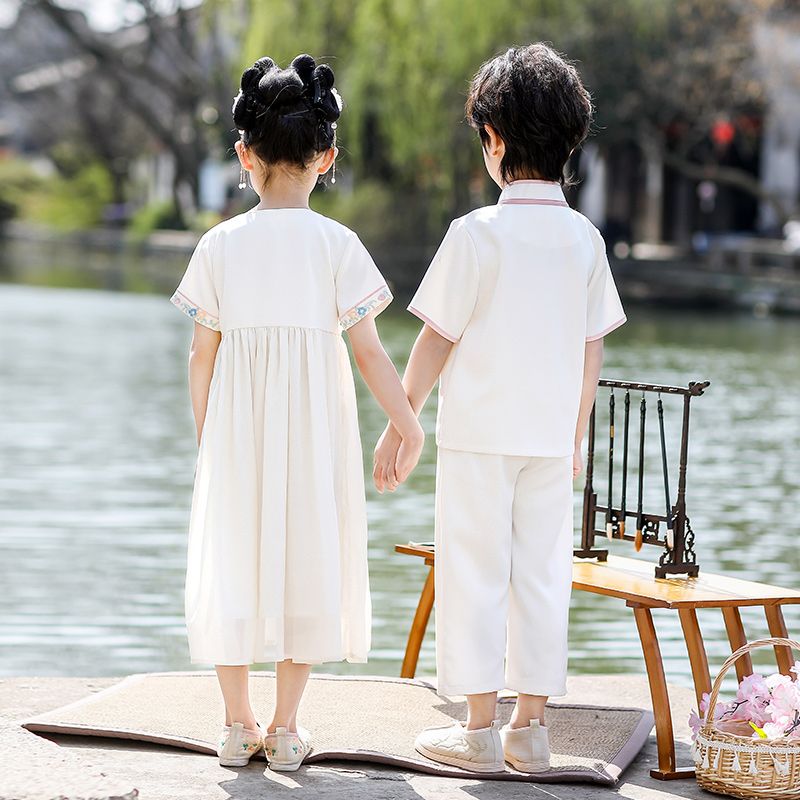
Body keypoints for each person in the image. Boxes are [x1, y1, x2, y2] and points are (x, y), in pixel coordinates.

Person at [374, 43, 626, 773]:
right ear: (570, 140)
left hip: (479, 436)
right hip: (551, 439)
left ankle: (478, 731)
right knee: (543, 575)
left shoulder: (475, 234)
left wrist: (405, 417)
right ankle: (532, 730)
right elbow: (591, 351)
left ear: (495, 139)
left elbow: (436, 339)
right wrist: (576, 433)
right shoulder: (584, 238)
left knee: (474, 570)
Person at [171, 54, 423, 772]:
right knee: (310, 556)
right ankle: (284, 730)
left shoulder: (220, 244)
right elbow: (371, 353)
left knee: (233, 558)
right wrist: (406, 422)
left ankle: (234, 724)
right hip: (315, 434)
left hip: (237, 432)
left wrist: (208, 438)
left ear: (244, 154)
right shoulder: (337, 245)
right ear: (327, 156)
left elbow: (200, 356)